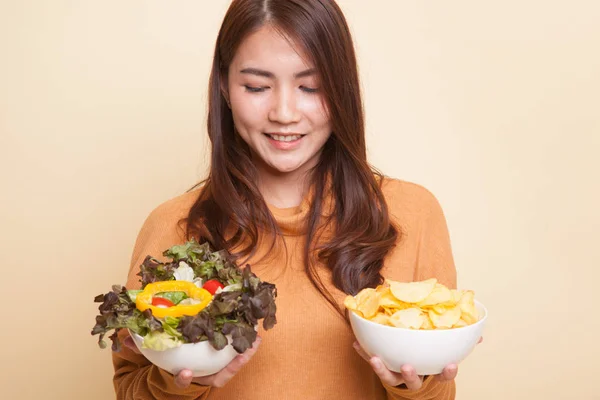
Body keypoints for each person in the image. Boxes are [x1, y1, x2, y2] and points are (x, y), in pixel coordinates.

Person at [112, 0, 467, 398]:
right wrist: (178, 385)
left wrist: (416, 388)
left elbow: (442, 391)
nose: (284, 112)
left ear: (342, 89)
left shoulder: (411, 214)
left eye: (311, 87)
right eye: (257, 87)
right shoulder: (174, 226)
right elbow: (130, 387)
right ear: (225, 90)